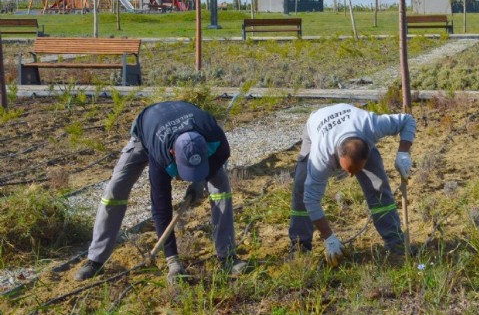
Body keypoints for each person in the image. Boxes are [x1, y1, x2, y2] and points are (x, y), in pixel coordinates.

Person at [74, 101, 247, 282]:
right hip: (147, 131)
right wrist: (172, 260)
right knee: (115, 188)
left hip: (187, 120)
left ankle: (227, 257)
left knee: (221, 188)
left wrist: (198, 182)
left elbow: (214, 166)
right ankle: (95, 259)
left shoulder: (216, 138)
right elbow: (160, 206)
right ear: (172, 153)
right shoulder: (160, 154)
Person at [289, 103, 415, 266]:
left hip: (354, 127)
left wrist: (403, 153)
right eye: (347, 170)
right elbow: (311, 199)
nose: (350, 176)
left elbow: (407, 120)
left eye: (354, 170)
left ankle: (395, 242)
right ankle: (300, 246)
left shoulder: (371, 125)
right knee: (301, 187)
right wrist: (329, 237)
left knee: (378, 187)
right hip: (317, 124)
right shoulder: (321, 155)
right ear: (336, 156)